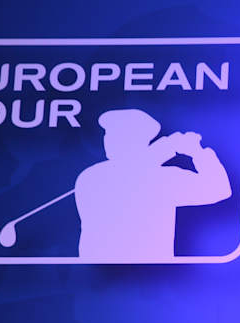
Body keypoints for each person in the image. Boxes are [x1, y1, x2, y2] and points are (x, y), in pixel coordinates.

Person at [74, 108, 231, 261]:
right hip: (109, 273)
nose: (108, 140)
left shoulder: (91, 175)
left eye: (118, 135)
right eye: (109, 134)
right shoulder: (92, 177)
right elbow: (219, 187)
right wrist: (192, 150)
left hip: (146, 273)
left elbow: (220, 189)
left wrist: (177, 149)